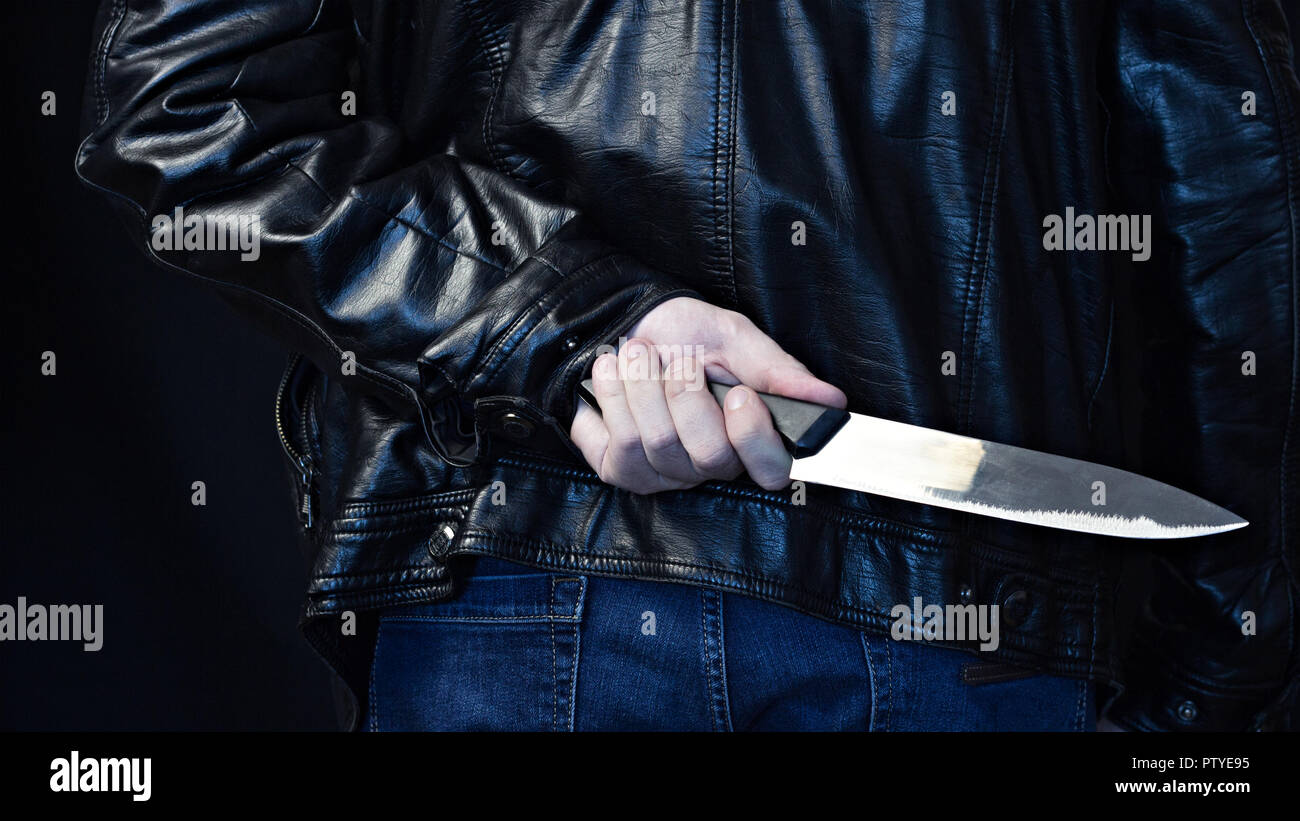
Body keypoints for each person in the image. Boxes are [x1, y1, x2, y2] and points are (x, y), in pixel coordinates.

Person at [77, 0, 1298, 731]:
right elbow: (1233, 185)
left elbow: (193, 108)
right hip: (970, 625)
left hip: (517, 576)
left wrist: (558, 325)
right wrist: (1210, 673)